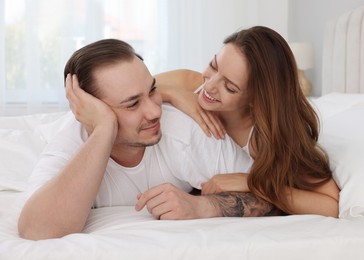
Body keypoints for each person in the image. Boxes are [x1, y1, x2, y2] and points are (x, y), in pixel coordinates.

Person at [18, 39, 277, 241]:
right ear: (90, 112)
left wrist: (203, 207)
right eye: (132, 105)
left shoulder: (183, 130)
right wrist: (104, 130)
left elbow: (276, 198)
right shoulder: (71, 142)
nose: (155, 112)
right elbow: (36, 229)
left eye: (153, 90)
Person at [155, 26, 340, 217]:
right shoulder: (188, 81)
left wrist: (252, 182)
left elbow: (330, 204)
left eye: (229, 87)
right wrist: (172, 93)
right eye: (214, 65)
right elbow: (128, 94)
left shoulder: (264, 139)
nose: (209, 86)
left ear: (254, 99)